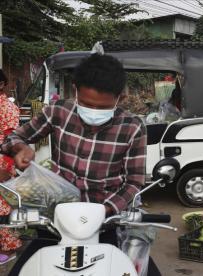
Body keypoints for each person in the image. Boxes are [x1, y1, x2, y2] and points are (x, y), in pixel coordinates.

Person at [1, 54, 161, 275]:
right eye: (86, 104)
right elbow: (10, 139)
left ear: (120, 98)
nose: (92, 112)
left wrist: (102, 211)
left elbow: (134, 181)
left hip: (105, 222)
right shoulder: (58, 111)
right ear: (75, 90)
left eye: (102, 107)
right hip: (55, 220)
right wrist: (21, 148)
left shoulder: (132, 127)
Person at [0, 69, 22, 253]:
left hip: (1, 165)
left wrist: (5, 169)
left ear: (2, 84)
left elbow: (11, 140)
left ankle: (9, 249)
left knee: (2, 209)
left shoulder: (7, 107)